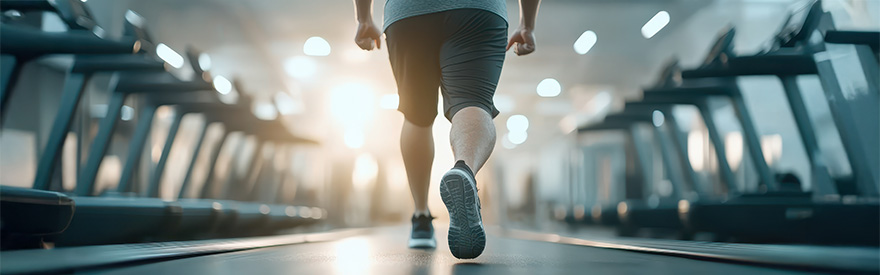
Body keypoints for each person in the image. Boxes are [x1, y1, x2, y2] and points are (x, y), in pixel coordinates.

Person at [352, 0, 540, 259]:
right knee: (473, 102)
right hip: (478, 9)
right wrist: (527, 24)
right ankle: (464, 170)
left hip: (408, 12)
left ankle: (420, 219)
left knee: (416, 115)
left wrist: (363, 18)